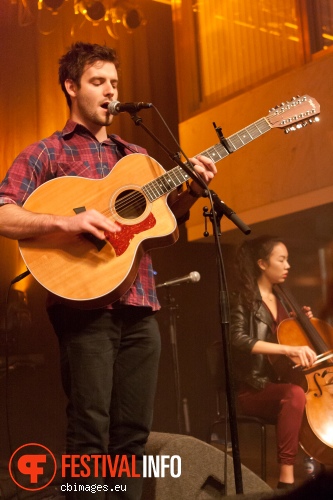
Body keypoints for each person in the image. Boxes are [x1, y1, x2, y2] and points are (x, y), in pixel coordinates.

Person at [0, 42, 217, 499]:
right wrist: (66, 220)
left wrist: (192, 189)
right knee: (90, 434)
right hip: (85, 306)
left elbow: (165, 222)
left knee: (133, 437)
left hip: (140, 304)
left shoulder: (137, 156)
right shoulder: (46, 152)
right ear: (71, 87)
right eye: (98, 82)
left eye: (114, 83)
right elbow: (3, 212)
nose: (110, 91)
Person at [229, 235, 317, 490]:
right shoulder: (242, 299)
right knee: (295, 394)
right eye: (282, 259)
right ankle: (286, 479)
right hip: (253, 388)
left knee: (305, 394)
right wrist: (289, 347)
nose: (288, 265)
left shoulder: (281, 301)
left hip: (279, 382)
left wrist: (298, 324)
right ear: (262, 264)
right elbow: (237, 338)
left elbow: (278, 341)